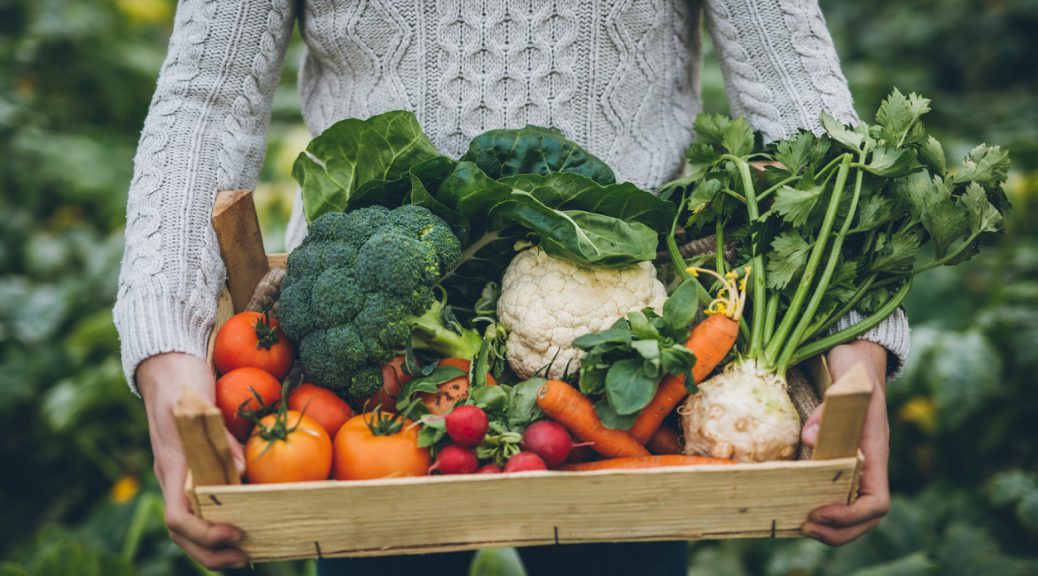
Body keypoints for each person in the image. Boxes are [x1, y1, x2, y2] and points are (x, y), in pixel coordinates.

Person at [115, 0, 910, 572]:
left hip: (629, 367)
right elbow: (204, 103)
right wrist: (166, 345)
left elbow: (795, 91)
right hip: (377, 370)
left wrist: (857, 342)